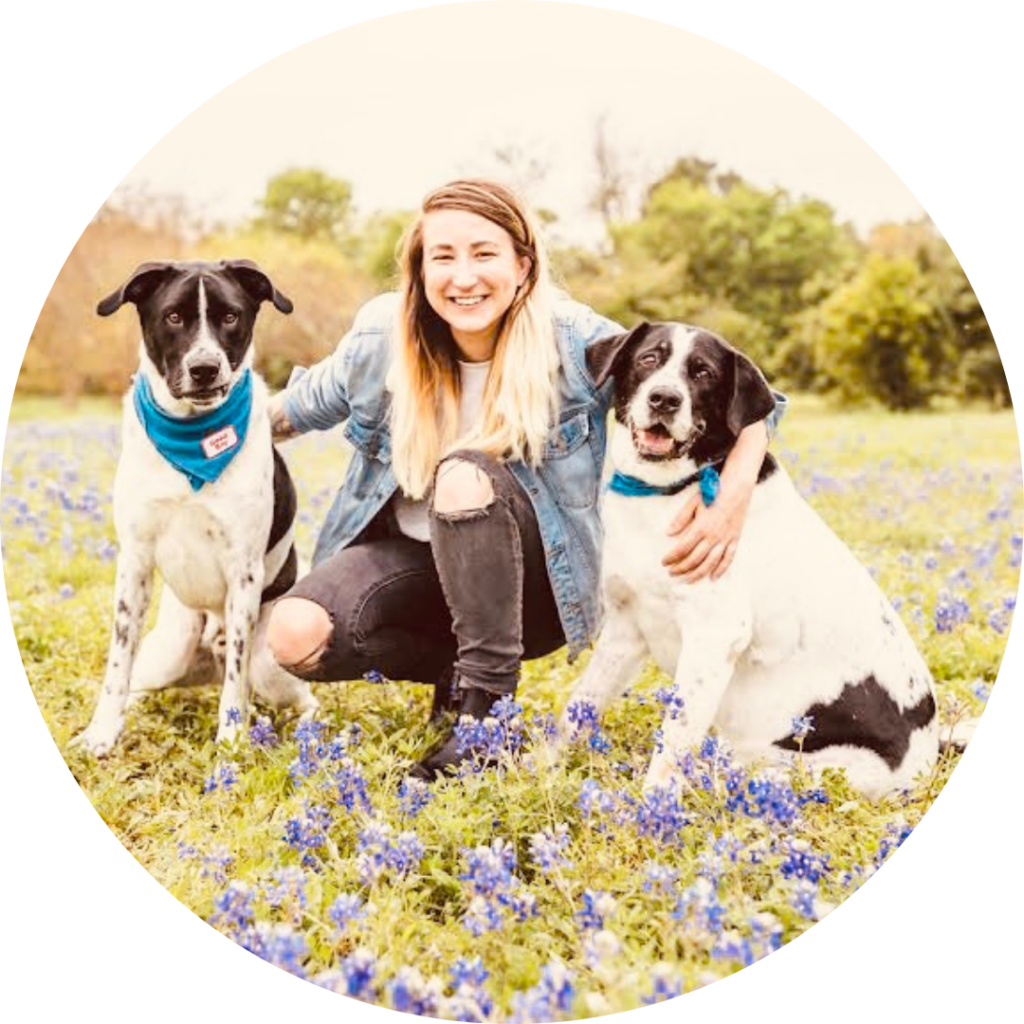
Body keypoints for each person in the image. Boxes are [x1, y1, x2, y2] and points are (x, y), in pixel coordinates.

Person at [265, 177, 783, 780]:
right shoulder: (383, 334)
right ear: (419, 268)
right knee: (295, 636)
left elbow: (758, 404)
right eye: (444, 256)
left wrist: (734, 497)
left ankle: (487, 719)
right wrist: (198, 424)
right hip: (417, 564)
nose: (464, 277)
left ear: (522, 264)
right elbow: (294, 408)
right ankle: (458, 667)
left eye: (484, 254)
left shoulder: (571, 336)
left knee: (463, 475)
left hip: (532, 583)